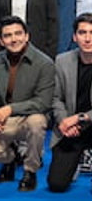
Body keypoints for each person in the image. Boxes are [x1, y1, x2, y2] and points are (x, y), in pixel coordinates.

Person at [0, 16, 55, 192]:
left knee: (37, 122)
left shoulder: (45, 63)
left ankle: (30, 172)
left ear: (27, 35)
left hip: (29, 118)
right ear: (0, 40)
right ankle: (11, 158)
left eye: (18, 34)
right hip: (2, 119)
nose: (14, 39)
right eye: (7, 36)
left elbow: (43, 102)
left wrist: (10, 109)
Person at [47, 13, 92, 192]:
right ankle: (78, 159)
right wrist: (65, 121)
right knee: (57, 184)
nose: (88, 38)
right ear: (74, 37)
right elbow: (55, 97)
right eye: (82, 33)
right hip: (71, 129)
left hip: (87, 121)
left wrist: (79, 118)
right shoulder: (62, 60)